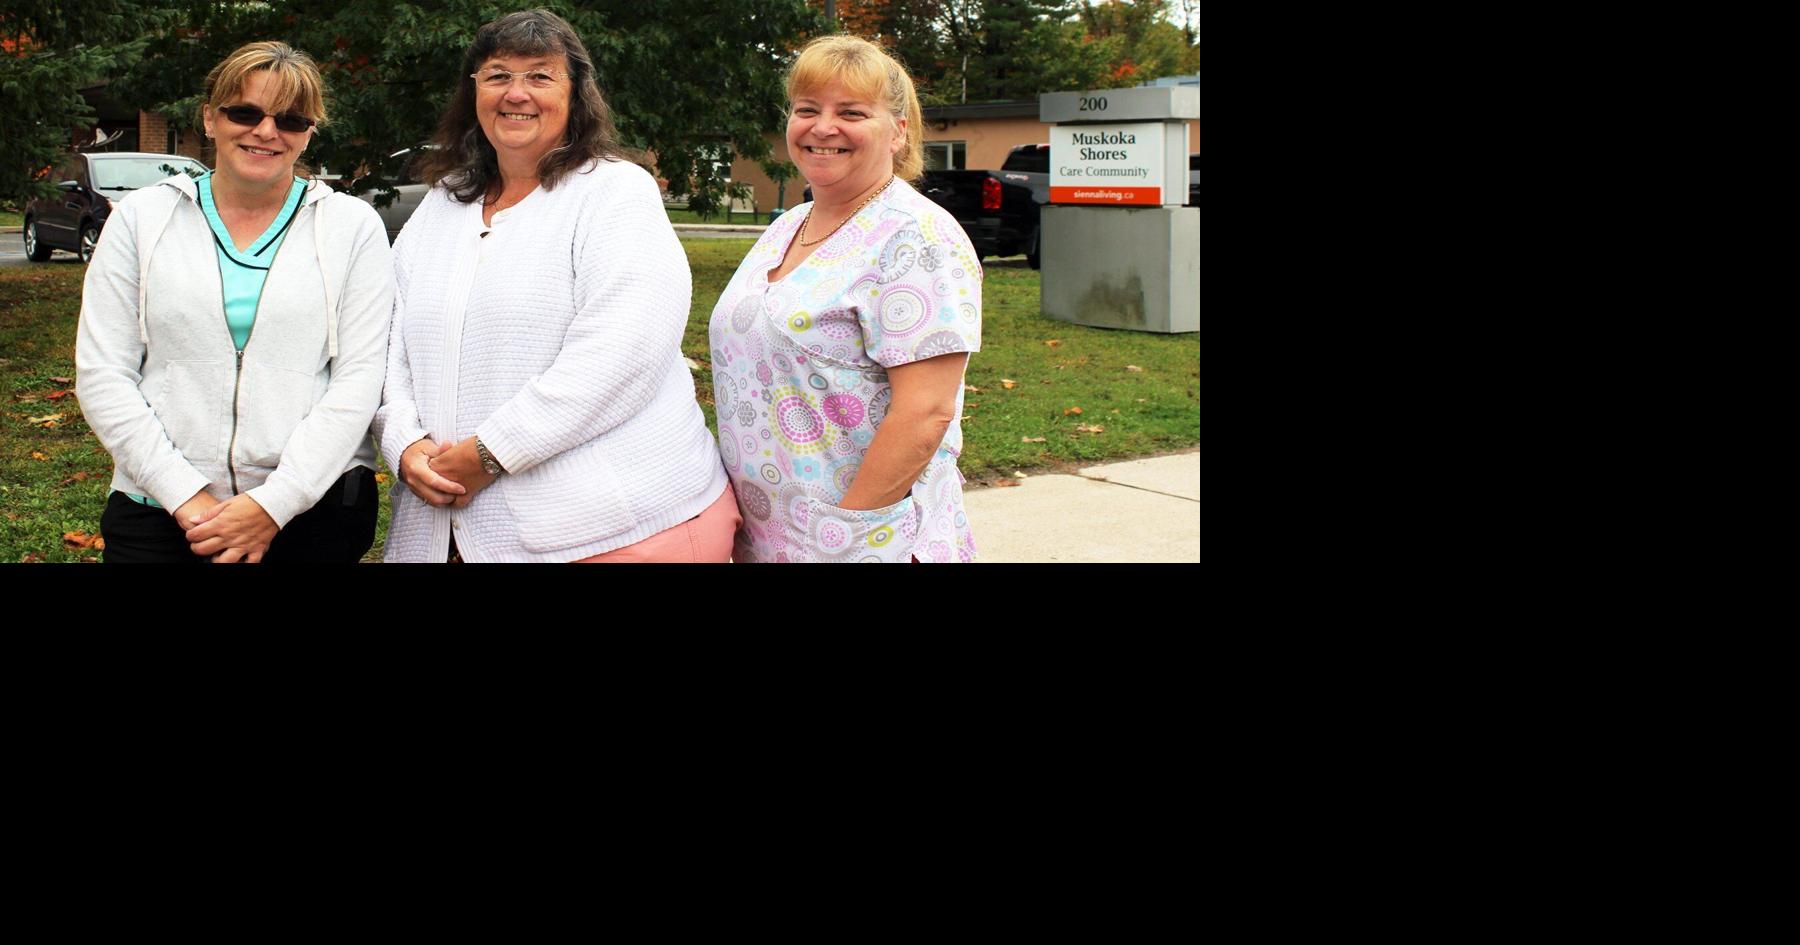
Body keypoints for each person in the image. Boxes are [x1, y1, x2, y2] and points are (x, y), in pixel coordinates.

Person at [375, 9, 736, 562]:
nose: (516, 93)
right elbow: (388, 341)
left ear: (576, 94)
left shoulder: (614, 193)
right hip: (441, 528)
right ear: (473, 90)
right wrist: (403, 443)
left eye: (540, 76)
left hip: (614, 531)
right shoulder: (442, 205)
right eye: (497, 75)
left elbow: (621, 353)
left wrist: (490, 453)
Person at [77, 41, 393, 564]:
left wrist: (274, 505)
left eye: (291, 120)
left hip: (314, 511)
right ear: (209, 117)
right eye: (245, 112)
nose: (266, 131)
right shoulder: (140, 219)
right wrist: (185, 496)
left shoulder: (351, 227)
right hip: (158, 509)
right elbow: (103, 372)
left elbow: (360, 379)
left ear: (310, 131)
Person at [708, 35, 982, 563]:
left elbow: (925, 413)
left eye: (851, 112)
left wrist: (845, 537)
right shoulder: (788, 225)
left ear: (899, 132)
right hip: (768, 535)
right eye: (807, 109)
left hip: (858, 543)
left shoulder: (917, 237)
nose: (823, 127)